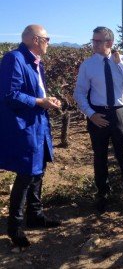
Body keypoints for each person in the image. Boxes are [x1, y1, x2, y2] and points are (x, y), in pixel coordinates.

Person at [0, 25, 62, 248]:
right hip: (25, 126)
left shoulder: (34, 61)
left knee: (39, 171)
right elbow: (10, 95)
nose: (49, 42)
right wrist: (39, 102)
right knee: (26, 174)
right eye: (47, 38)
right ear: (36, 39)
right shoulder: (14, 58)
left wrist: (48, 100)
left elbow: (35, 93)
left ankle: (35, 216)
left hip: (39, 124)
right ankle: (14, 228)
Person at [73, 26, 123, 212]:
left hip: (118, 113)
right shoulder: (88, 65)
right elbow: (79, 93)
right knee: (100, 157)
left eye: (97, 41)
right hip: (97, 113)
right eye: (93, 40)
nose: (94, 44)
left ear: (109, 43)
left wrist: (119, 63)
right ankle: (102, 195)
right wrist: (91, 114)